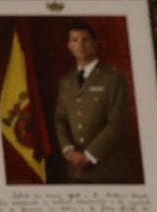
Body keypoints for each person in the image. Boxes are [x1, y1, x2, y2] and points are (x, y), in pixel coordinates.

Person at [48, 20, 138, 184]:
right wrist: (69, 151)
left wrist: (88, 156)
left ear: (95, 44)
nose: (80, 45)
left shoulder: (113, 77)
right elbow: (60, 120)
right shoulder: (66, 81)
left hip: (106, 169)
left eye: (85, 40)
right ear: (69, 46)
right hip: (75, 169)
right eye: (75, 40)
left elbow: (118, 123)